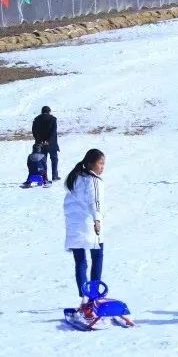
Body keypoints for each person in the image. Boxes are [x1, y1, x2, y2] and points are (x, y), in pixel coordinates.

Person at [64, 149, 106, 305]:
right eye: (100, 163)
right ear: (90, 163)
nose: (102, 167)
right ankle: (93, 295)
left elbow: (68, 204)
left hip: (74, 226)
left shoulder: (75, 178)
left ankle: (84, 296)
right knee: (98, 257)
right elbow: (95, 201)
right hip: (89, 224)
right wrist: (97, 220)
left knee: (80, 262)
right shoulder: (93, 180)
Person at [32, 106, 59, 180]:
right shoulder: (53, 119)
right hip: (52, 144)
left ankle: (44, 177)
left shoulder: (36, 119)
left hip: (40, 144)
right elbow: (53, 132)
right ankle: (54, 176)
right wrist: (48, 141)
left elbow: (34, 131)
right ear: (49, 111)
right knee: (54, 159)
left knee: (42, 161)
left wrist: (40, 140)